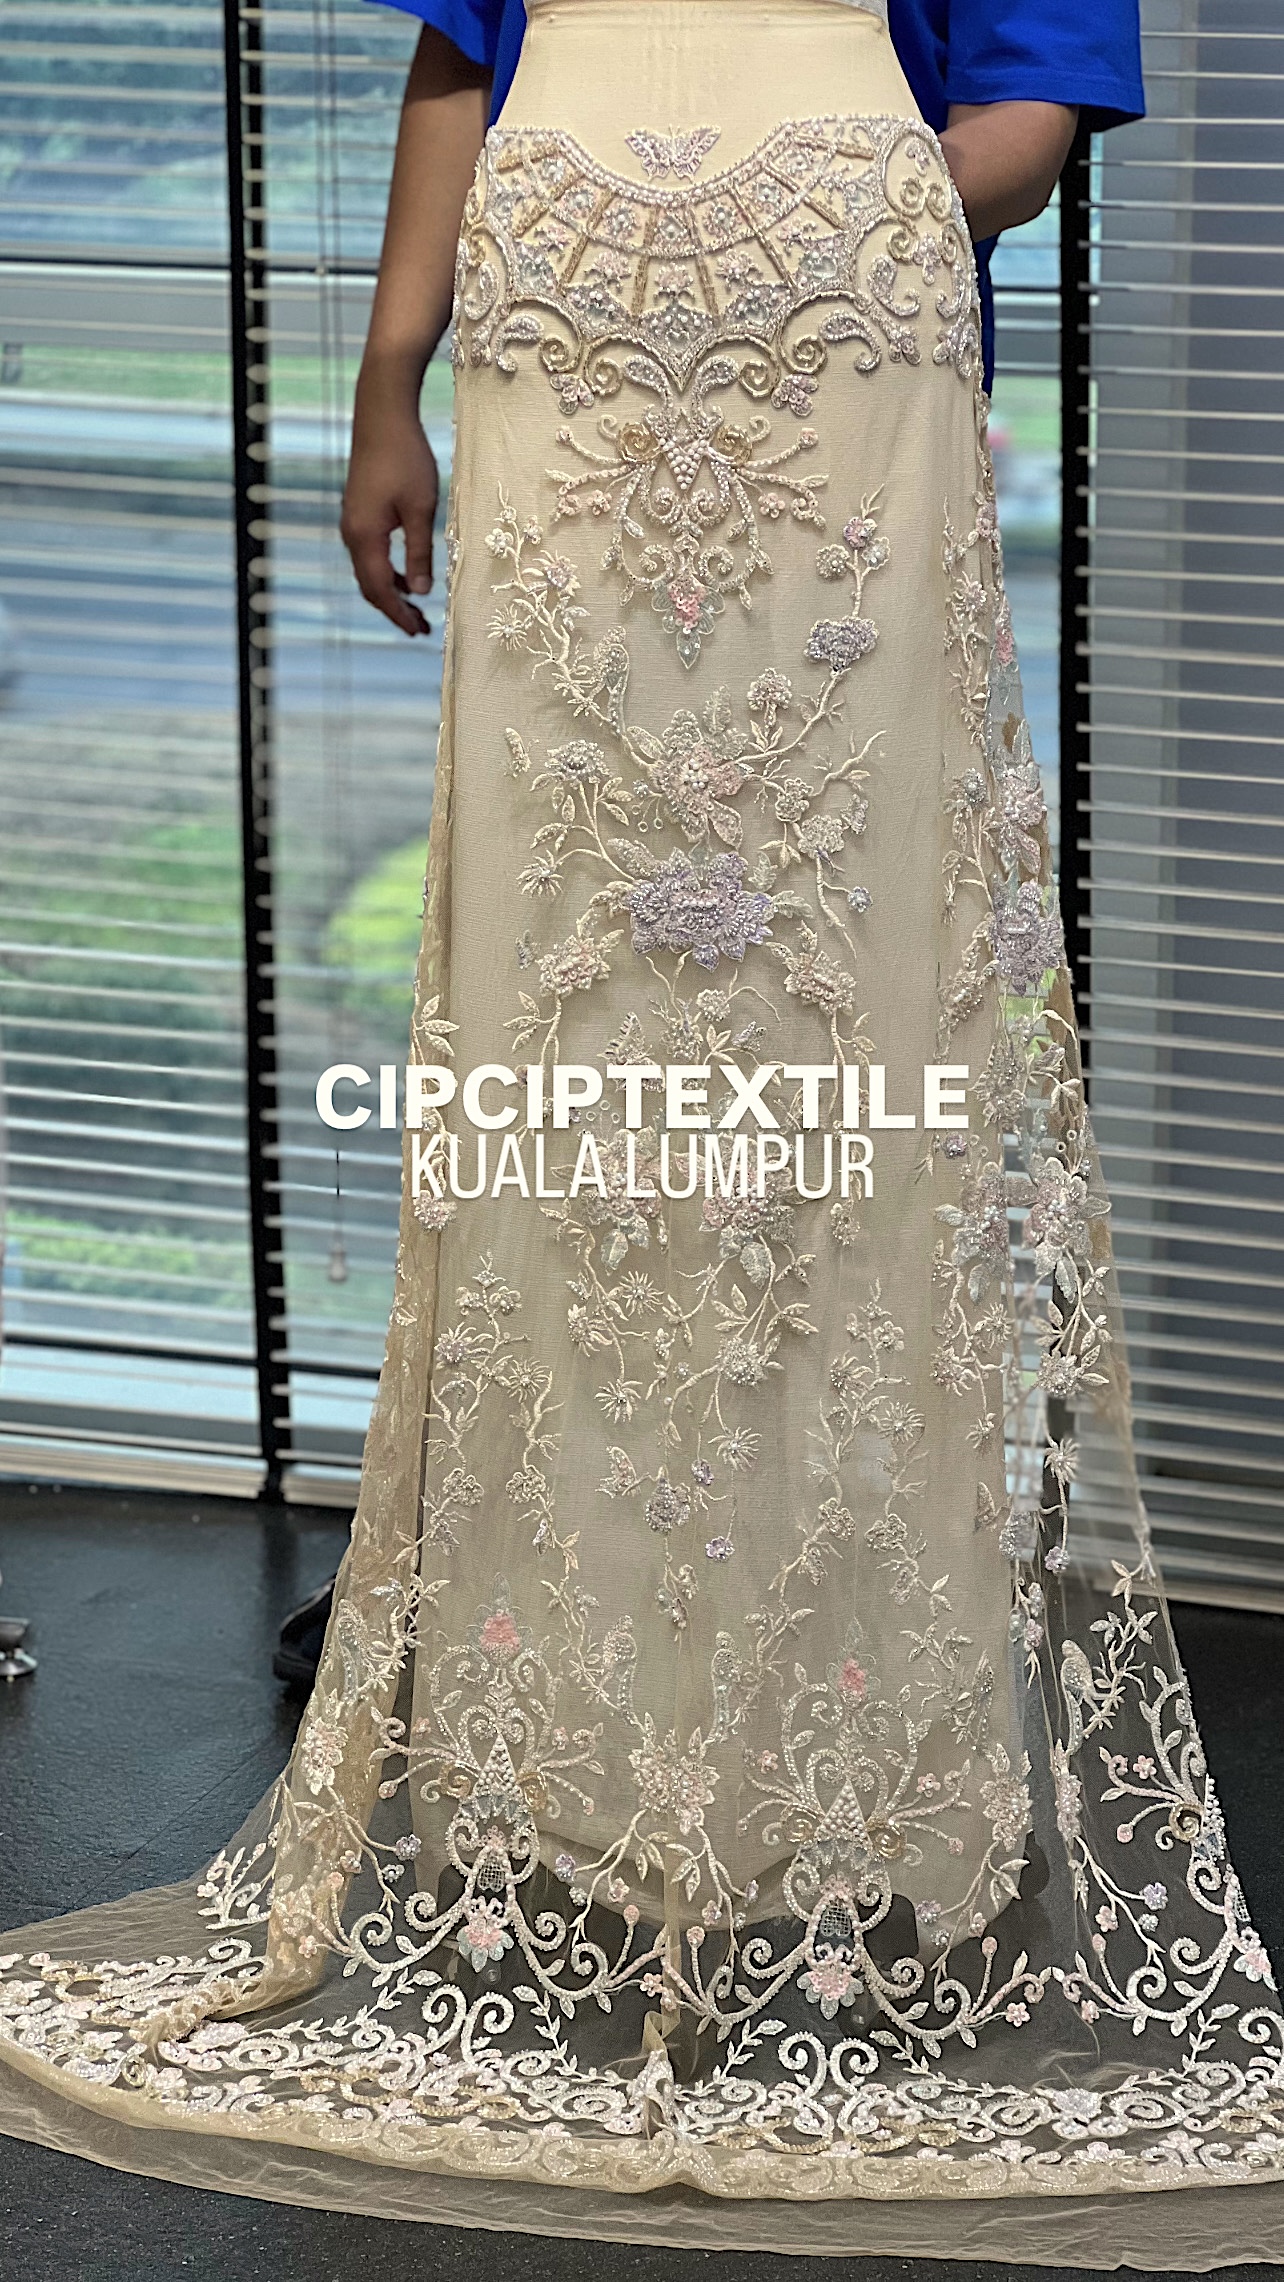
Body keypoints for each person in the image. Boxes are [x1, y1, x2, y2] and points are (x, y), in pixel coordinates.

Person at [2, 1, 1283, 2265]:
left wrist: (821, 225)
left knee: (850, 995)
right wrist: (386, 381)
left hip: (832, 306)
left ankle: (856, 1779)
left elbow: (1038, 106)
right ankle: (563, 1782)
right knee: (567, 1007)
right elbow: (460, 49)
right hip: (566, 305)